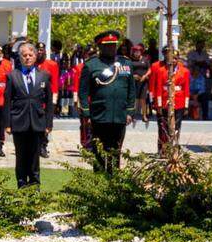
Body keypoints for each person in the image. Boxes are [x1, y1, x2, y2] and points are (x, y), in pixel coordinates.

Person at [78, 30, 137, 173]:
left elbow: (131, 90)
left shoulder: (125, 63)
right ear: (100, 47)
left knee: (115, 153)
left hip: (119, 115)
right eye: (107, 45)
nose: (111, 47)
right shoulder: (91, 65)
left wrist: (130, 111)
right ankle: (98, 187)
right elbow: (83, 91)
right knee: (98, 153)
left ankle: (113, 186)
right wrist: (86, 113)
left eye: (113, 45)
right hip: (99, 116)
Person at [4, 42, 53, 188]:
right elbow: (7, 102)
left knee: (34, 157)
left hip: (37, 123)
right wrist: (7, 124)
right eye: (24, 55)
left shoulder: (44, 76)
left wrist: (48, 124)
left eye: (30, 55)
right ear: (20, 58)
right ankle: (21, 184)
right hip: (19, 122)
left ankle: (34, 185)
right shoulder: (13, 76)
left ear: (35, 56)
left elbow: (49, 102)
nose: (27, 58)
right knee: (21, 156)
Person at [148, 46, 190, 154]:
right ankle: (163, 150)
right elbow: (154, 87)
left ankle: (174, 149)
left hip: (178, 102)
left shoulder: (184, 70)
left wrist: (186, 105)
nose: (172, 59)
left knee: (177, 126)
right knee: (163, 127)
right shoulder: (158, 68)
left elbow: (186, 89)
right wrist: (155, 103)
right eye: (168, 55)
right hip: (163, 101)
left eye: (175, 58)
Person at [36, 43, 60, 158]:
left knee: (46, 123)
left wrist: (54, 101)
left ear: (45, 51)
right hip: (35, 99)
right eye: (38, 50)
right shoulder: (32, 63)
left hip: (47, 98)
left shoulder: (52, 64)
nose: (39, 52)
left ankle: (43, 146)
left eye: (41, 50)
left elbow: (55, 83)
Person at [187, 38, 212, 119]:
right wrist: (191, 95)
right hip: (190, 92)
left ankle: (205, 116)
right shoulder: (191, 53)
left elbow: (207, 63)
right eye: (199, 44)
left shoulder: (201, 77)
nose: (201, 46)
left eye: (202, 45)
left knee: (205, 97)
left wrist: (196, 95)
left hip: (199, 93)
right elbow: (191, 62)